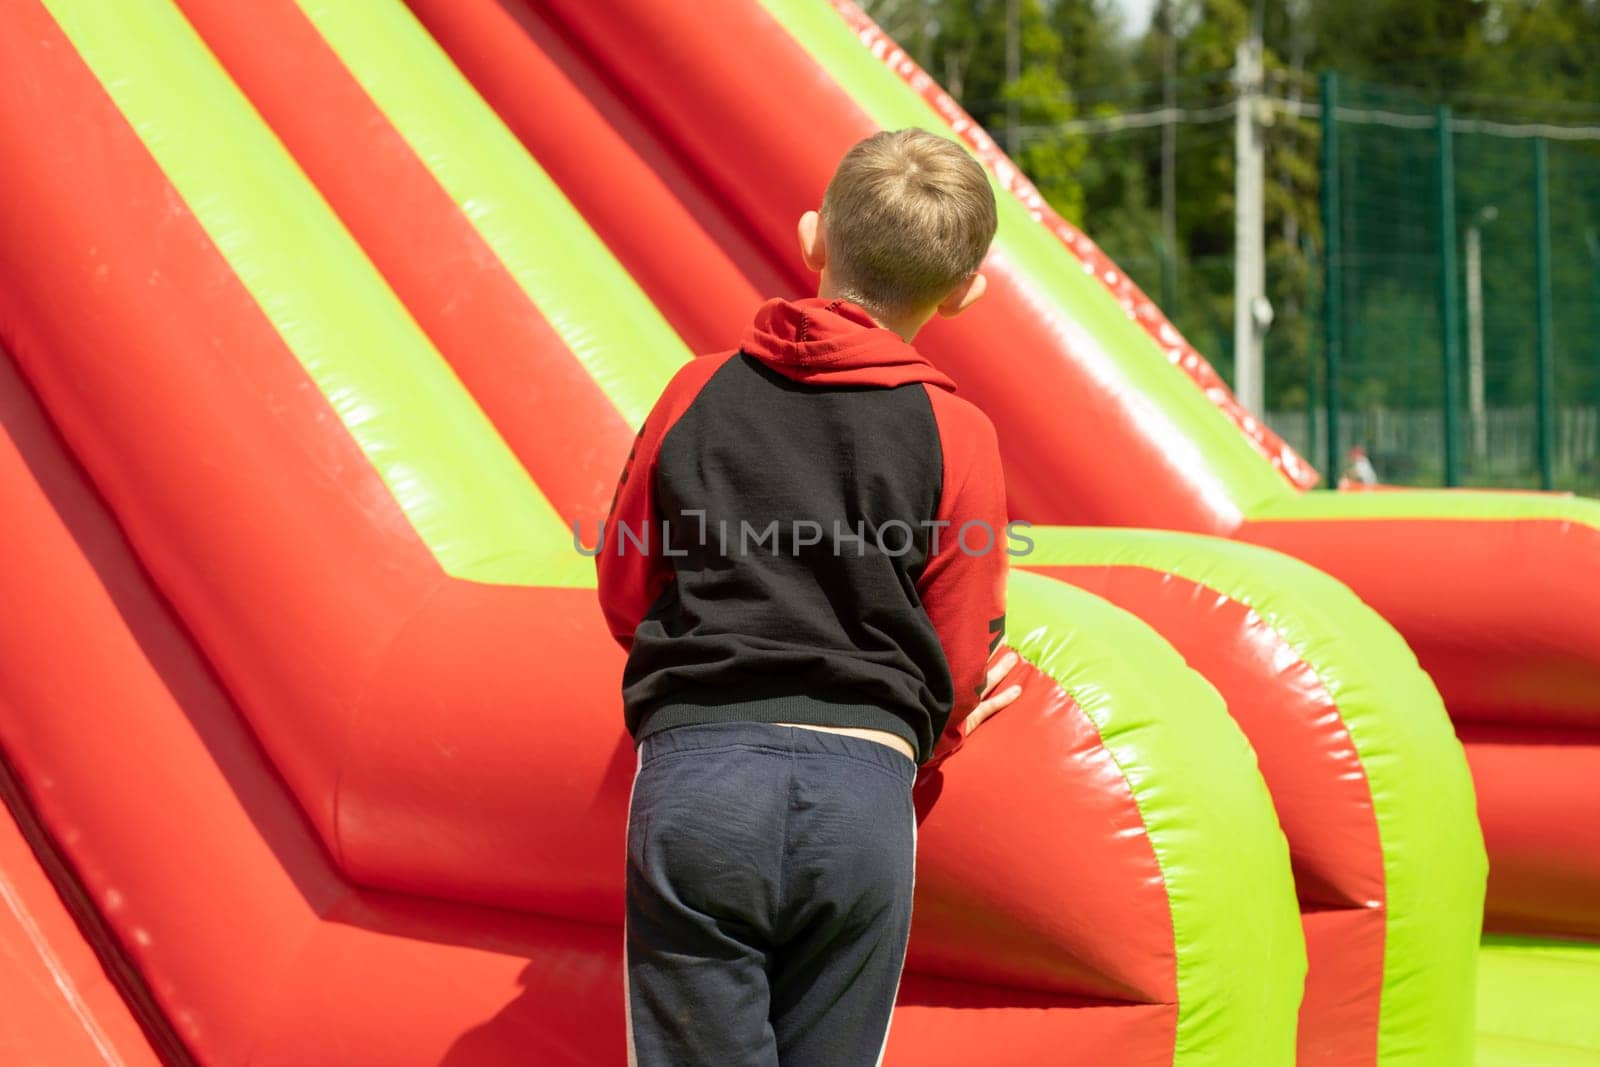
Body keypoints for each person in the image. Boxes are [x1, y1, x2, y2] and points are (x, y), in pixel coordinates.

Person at [597, 128, 1023, 1066]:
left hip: (698, 777)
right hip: (861, 795)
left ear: (812, 238)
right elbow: (959, 648)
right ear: (965, 291)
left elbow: (625, 581)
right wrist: (943, 727)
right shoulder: (961, 435)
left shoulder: (693, 391)